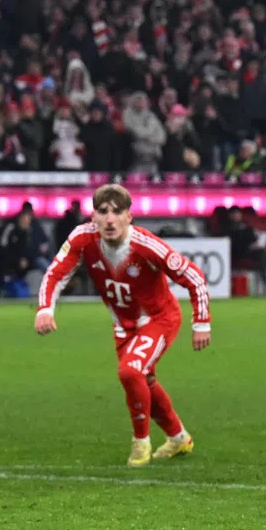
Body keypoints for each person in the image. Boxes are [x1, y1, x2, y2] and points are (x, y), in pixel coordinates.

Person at [34, 184, 213, 466]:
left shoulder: (145, 245)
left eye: (117, 212)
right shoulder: (82, 238)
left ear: (129, 216)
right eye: (102, 211)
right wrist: (45, 309)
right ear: (93, 216)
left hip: (159, 319)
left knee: (130, 372)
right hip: (123, 326)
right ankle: (178, 438)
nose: (109, 219)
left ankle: (141, 443)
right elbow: (55, 274)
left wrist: (201, 322)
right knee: (144, 382)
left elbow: (193, 276)